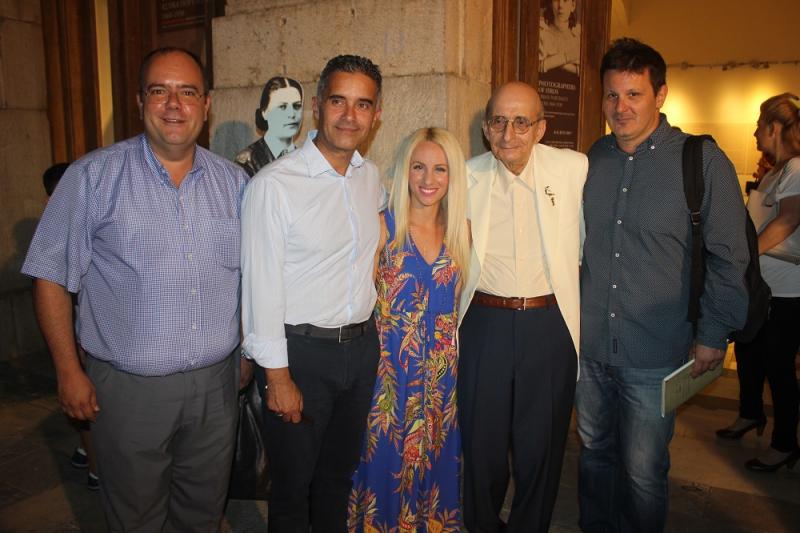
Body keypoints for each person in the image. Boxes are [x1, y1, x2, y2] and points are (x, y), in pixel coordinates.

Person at [22, 47, 249, 531]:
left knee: (203, 515)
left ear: (206, 104)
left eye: (187, 92)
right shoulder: (93, 178)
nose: (174, 104)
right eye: (159, 91)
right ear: (140, 101)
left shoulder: (234, 184)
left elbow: (249, 278)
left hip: (216, 389)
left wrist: (246, 351)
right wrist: (67, 370)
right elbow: (49, 275)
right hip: (128, 393)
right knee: (135, 519)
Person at [578, 38, 750, 532]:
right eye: (612, 95)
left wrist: (713, 333)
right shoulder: (595, 158)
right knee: (593, 456)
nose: (621, 107)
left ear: (661, 94)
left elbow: (729, 255)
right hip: (590, 348)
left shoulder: (700, 161)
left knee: (643, 471)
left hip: (655, 352)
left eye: (634, 94)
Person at [241, 54, 384, 533]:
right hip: (301, 356)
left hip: (360, 351)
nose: (350, 115)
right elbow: (260, 288)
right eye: (339, 101)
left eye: (363, 104)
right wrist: (277, 377)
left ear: (376, 114)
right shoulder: (274, 186)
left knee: (337, 479)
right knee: (292, 490)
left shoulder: (370, 178)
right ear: (318, 106)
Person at [458, 81, 588, 533]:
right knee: (481, 444)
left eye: (521, 122)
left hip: (549, 324)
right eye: (498, 121)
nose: (508, 133)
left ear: (540, 128)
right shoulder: (464, 176)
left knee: (542, 447)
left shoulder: (573, 169)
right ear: (485, 128)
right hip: (483, 323)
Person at [347, 127, 471, 533]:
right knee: (382, 465)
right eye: (419, 167)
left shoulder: (462, 234)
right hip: (387, 379)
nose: (428, 179)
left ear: (453, 176)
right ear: (405, 171)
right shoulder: (383, 229)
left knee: (435, 466)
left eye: (440, 169)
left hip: (440, 383)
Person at [716, 92, 800, 472]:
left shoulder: (796, 168)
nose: (754, 133)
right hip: (763, 285)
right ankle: (750, 413)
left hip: (786, 289)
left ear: (775, 127)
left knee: (778, 367)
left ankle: (785, 443)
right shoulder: (776, 171)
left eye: (758, 125)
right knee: (750, 353)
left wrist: (746, 256)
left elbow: (788, 219)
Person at [235, 76, 304, 177]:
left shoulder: (305, 160)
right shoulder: (246, 161)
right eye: (282, 106)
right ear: (264, 112)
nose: (291, 114)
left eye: (297, 106)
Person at [539, 0, 581, 74]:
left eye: (565, 0)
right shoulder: (542, 34)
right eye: (556, 0)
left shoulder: (578, 37)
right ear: (551, 4)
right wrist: (567, 57)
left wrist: (551, 62)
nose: (560, 5)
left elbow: (582, 71)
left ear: (573, 6)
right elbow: (538, 66)